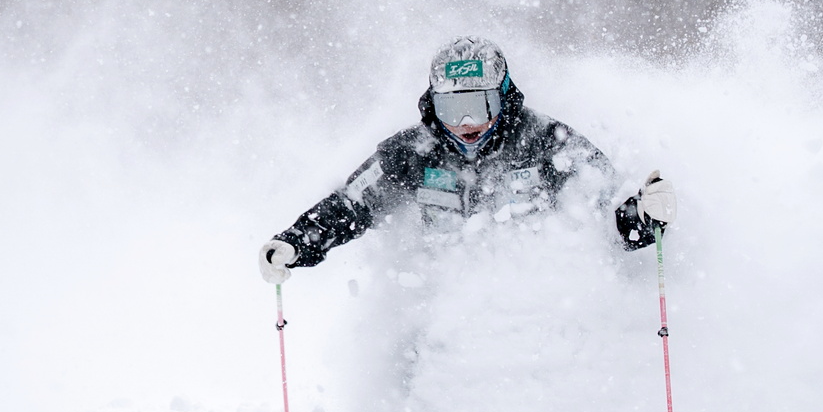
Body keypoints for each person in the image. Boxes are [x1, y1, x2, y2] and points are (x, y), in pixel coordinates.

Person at [258, 36, 675, 283]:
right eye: (453, 109)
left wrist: (645, 216)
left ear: (504, 97)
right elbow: (352, 204)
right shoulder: (410, 153)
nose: (468, 124)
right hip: (445, 307)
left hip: (541, 305)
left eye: (481, 105)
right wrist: (297, 242)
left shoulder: (550, 142)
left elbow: (610, 214)